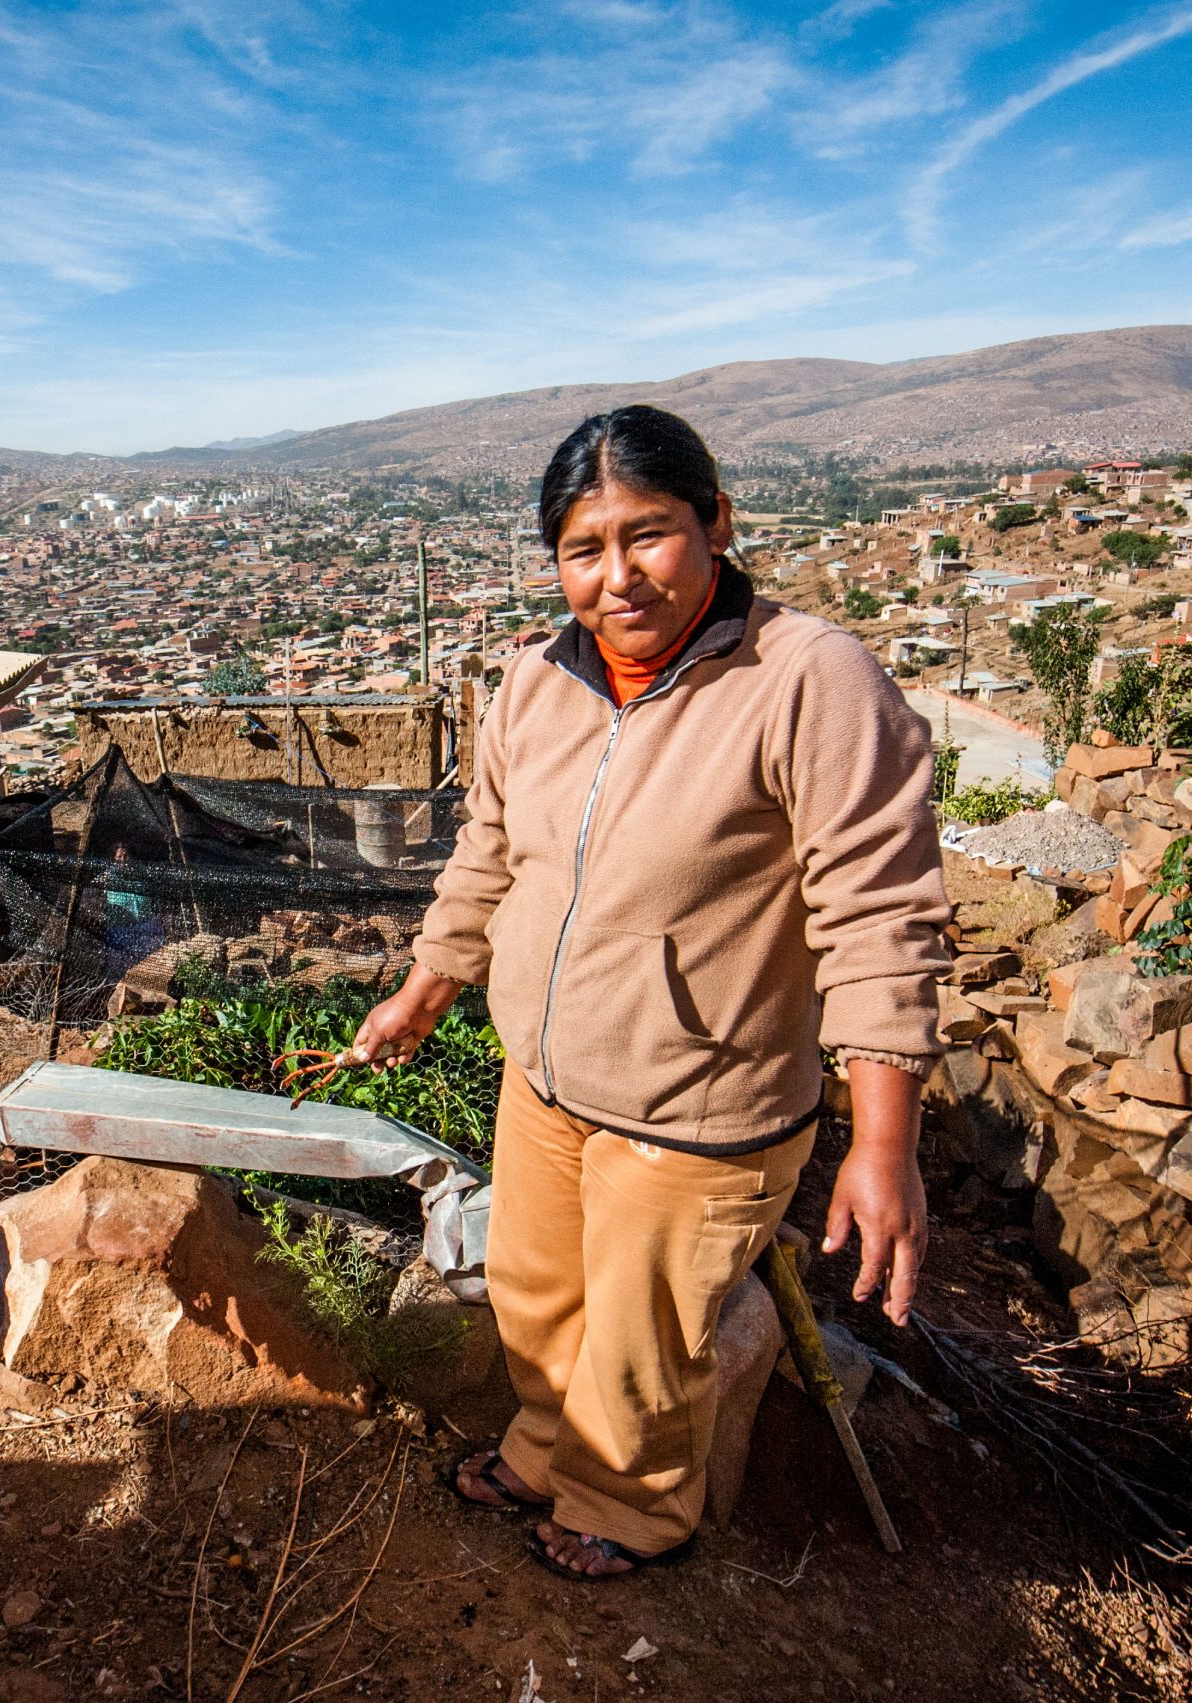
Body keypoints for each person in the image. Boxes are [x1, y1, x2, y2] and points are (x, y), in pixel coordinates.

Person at [348, 405, 949, 1580]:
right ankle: (545, 1448)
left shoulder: (807, 679)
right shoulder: (536, 680)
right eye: (583, 548)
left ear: (715, 523)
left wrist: (886, 1144)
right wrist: (426, 987)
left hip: (701, 1101)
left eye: (648, 534)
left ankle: (631, 1505)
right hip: (549, 1076)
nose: (616, 576)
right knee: (534, 1295)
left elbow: (881, 915)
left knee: (641, 1337)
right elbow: (489, 853)